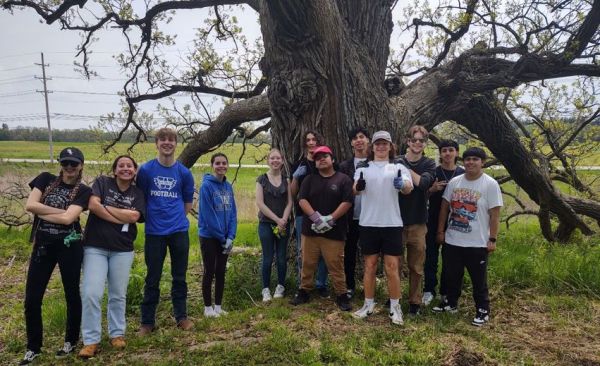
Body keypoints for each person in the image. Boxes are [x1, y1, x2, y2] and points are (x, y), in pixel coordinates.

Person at [20, 147, 92, 365]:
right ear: (60, 164)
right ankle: (33, 347)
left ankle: (70, 341)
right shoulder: (45, 179)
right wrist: (65, 212)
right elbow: (30, 205)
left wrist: (47, 210)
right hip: (43, 245)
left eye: (74, 164)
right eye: (65, 163)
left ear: (81, 165)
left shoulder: (84, 190)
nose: (69, 168)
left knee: (72, 293)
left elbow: (69, 220)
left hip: (70, 246)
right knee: (32, 298)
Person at [78, 155, 145, 358]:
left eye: (129, 166)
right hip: (95, 247)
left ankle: (117, 334)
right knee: (91, 293)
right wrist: (119, 215)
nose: (125, 168)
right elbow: (93, 205)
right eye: (121, 165)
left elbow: (135, 217)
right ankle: (91, 341)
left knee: (117, 294)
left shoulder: (138, 193)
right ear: (115, 170)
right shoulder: (102, 183)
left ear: (134, 171)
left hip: (122, 249)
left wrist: (104, 210)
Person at [433, 147, 502, 327]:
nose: (470, 162)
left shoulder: (490, 184)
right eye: (467, 159)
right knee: (451, 276)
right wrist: (440, 231)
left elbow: (495, 215)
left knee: (479, 280)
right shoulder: (455, 182)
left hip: (477, 242)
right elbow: (444, 208)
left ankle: (482, 310)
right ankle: (451, 303)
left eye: (475, 159)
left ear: (482, 162)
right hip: (453, 239)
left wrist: (492, 239)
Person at [136, 128, 195, 334]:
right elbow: (141, 198)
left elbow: (188, 202)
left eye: (171, 140)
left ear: (175, 144)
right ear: (157, 144)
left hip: (178, 231)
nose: (167, 143)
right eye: (163, 140)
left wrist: (176, 217)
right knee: (152, 277)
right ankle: (147, 322)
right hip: (154, 232)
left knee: (179, 276)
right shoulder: (145, 171)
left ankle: (181, 317)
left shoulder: (184, 173)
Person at [351, 131, 413, 325]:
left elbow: (409, 188)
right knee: (369, 266)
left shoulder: (398, 166)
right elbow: (354, 190)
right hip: (368, 223)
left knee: (392, 267)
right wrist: (358, 186)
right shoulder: (363, 167)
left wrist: (402, 183)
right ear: (373, 146)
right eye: (377, 143)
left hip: (392, 223)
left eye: (384, 143)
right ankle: (368, 305)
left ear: (390, 146)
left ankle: (395, 308)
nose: (381, 147)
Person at [289, 146, 353, 311]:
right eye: (318, 158)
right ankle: (304, 291)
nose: (321, 159)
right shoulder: (309, 179)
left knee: (335, 264)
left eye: (325, 156)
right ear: (315, 163)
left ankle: (341, 295)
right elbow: (302, 200)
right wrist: (316, 218)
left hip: (334, 232)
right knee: (307, 262)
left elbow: (347, 201)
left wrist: (331, 218)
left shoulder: (343, 179)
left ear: (332, 159)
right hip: (310, 231)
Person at [395, 125, 436, 316]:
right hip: (395, 221)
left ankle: (414, 302)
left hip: (418, 222)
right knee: (394, 264)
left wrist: (403, 168)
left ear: (425, 144)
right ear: (408, 142)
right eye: (414, 140)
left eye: (421, 140)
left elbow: (423, 184)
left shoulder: (429, 164)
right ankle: (393, 297)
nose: (417, 143)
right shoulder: (395, 161)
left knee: (416, 266)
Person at [422, 140, 464, 306]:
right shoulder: (434, 172)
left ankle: (446, 292)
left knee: (451, 259)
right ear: (440, 153)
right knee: (431, 256)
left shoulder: (462, 173)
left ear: (457, 152)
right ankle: (429, 289)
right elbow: (420, 195)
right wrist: (432, 190)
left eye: (451, 150)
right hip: (432, 220)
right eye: (444, 150)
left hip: (456, 221)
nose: (447, 153)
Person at [290, 131, 329, 297]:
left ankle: (321, 284)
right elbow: (293, 193)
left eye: (314, 139)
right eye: (308, 140)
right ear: (304, 143)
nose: (311, 142)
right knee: (303, 251)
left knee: (323, 251)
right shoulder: (299, 164)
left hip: (324, 213)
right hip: (302, 214)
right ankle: (304, 285)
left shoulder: (324, 160)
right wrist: (295, 177)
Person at [199, 153, 237, 317]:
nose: (221, 166)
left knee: (221, 270)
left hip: (225, 239)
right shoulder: (206, 186)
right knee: (210, 270)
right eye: (218, 163)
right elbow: (208, 216)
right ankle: (208, 308)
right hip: (209, 236)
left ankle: (218, 306)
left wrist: (231, 236)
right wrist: (222, 238)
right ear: (212, 165)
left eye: (224, 163)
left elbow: (233, 213)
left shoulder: (228, 186)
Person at [256, 148, 292, 302]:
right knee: (268, 257)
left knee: (282, 257)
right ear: (268, 161)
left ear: (282, 161)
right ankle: (265, 289)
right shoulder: (261, 179)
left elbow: (290, 202)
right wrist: (277, 219)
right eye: (272, 158)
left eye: (278, 158)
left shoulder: (287, 180)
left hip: (283, 225)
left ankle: (280, 286)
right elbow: (260, 203)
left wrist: (283, 219)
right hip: (266, 224)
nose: (275, 161)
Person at [338, 127, 370, 298]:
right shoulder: (344, 166)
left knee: (370, 255)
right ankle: (349, 286)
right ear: (351, 143)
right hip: (351, 216)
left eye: (362, 137)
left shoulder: (376, 162)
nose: (359, 140)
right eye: (355, 138)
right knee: (349, 253)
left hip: (372, 216)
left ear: (367, 140)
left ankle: (369, 287)